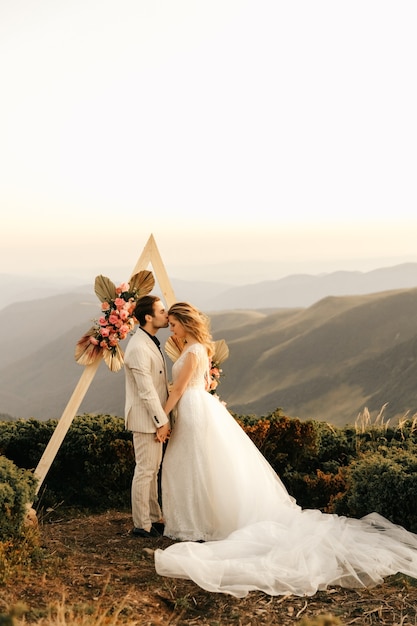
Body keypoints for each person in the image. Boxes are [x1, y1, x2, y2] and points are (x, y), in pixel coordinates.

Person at [154, 301, 417, 598]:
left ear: (185, 324)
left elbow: (179, 389)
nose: (171, 329)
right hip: (197, 407)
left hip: (192, 407)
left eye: (174, 324)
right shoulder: (199, 348)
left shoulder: (192, 351)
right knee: (193, 463)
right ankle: (194, 522)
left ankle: (195, 525)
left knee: (192, 463)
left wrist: (161, 417)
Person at [124, 295, 171, 538]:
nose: (167, 315)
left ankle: (154, 517)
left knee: (153, 469)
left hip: (152, 417)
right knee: (145, 471)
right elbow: (146, 390)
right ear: (148, 317)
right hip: (145, 419)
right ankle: (141, 524)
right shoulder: (139, 347)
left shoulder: (148, 341)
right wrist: (161, 421)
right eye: (162, 311)